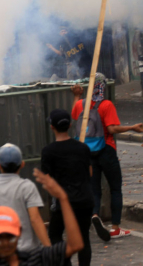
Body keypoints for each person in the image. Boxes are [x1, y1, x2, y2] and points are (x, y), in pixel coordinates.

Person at [70, 73, 143, 239]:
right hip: (106, 150)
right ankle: (116, 227)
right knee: (115, 188)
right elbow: (111, 129)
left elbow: (75, 116)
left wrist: (77, 96)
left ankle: (95, 215)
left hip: (88, 152)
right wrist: (132, 127)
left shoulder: (82, 104)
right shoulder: (106, 105)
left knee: (95, 188)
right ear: (102, 86)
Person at [42, 109, 95, 265]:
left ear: (52, 127)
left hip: (64, 203)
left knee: (55, 234)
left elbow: (46, 180)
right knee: (84, 236)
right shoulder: (83, 148)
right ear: (70, 125)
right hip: (85, 199)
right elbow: (90, 172)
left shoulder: (48, 151)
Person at [0, 143, 50, 252]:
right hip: (27, 252)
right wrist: (49, 248)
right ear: (22, 164)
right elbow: (35, 219)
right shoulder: (27, 186)